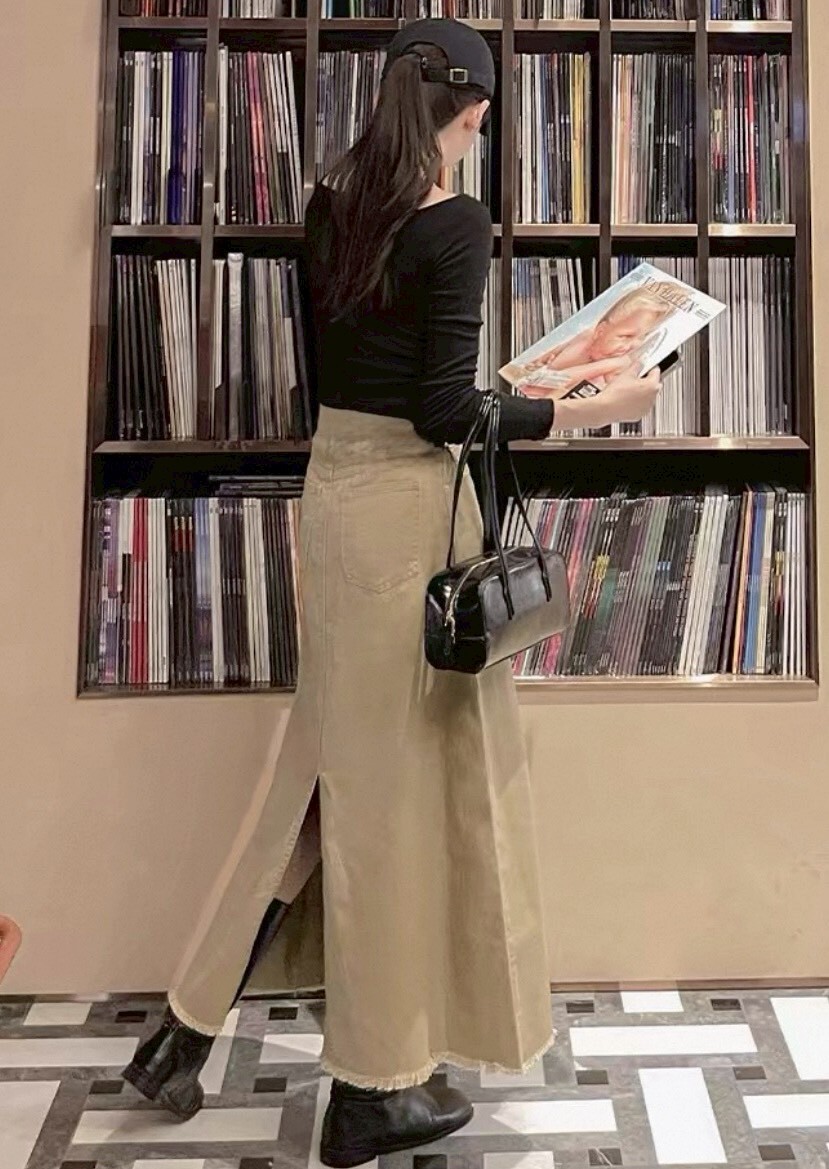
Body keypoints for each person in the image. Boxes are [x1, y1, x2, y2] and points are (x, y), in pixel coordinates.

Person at [121, 18, 660, 1167]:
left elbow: (357, 379)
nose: (481, 132)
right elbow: (440, 410)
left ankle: (181, 1032)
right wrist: (588, 409)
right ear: (461, 107)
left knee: (323, 782)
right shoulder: (453, 222)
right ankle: (370, 1090)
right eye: (481, 114)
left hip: (334, 501)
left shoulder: (330, 206)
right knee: (389, 807)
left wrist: (505, 385)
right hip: (409, 515)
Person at [504, 284, 676, 399]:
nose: (635, 345)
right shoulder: (587, 340)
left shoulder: (614, 360)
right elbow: (552, 375)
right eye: (626, 336)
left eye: (643, 337)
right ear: (600, 331)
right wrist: (609, 365)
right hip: (532, 391)